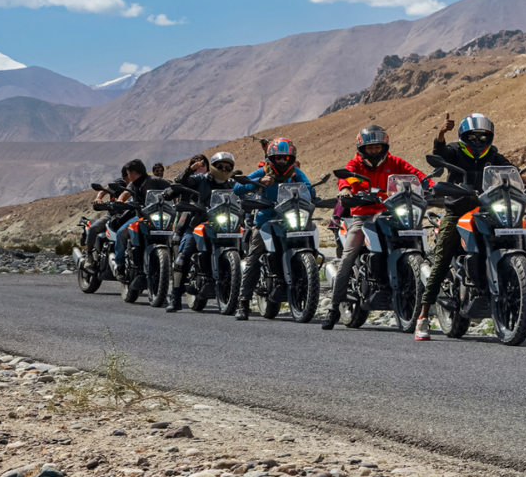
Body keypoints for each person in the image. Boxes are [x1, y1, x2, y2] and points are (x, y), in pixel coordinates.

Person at [413, 113, 513, 341]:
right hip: (456, 212)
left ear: (489, 137)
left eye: (482, 136)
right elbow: (439, 154)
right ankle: (423, 316)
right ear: (463, 136)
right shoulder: (455, 151)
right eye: (472, 136)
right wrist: (440, 134)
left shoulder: (494, 155)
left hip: (485, 212)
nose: (477, 141)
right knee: (441, 258)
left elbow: (511, 171)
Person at [321, 125, 428, 330]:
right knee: (348, 257)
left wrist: (429, 184)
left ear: (384, 146)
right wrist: (345, 189)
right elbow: (346, 178)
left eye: (377, 147)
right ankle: (333, 308)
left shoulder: (394, 162)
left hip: (390, 212)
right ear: (362, 149)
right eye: (370, 148)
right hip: (363, 215)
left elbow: (415, 174)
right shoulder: (355, 165)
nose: (374, 151)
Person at [230, 139, 312, 321]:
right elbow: (237, 188)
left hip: (291, 219)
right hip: (266, 219)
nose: (282, 161)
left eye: (285, 158)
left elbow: (309, 188)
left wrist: (310, 194)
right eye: (278, 158)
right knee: (253, 258)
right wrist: (258, 182)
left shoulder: (295, 173)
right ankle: (243, 302)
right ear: (270, 158)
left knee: (310, 238)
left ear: (291, 158)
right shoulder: (262, 171)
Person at [167, 152, 240, 311]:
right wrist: (189, 169)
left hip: (224, 225)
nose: (223, 169)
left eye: (227, 167)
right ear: (213, 167)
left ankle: (238, 295)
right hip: (198, 223)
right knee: (182, 257)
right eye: (220, 166)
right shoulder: (201, 179)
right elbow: (181, 182)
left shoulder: (231, 184)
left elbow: (243, 194)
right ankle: (175, 296)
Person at [109, 159, 153, 291]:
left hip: (158, 217)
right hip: (139, 217)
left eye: (128, 173)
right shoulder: (133, 185)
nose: (128, 177)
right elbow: (123, 196)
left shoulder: (156, 181)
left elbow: (170, 191)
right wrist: (121, 202)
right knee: (122, 232)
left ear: (133, 173)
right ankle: (120, 265)